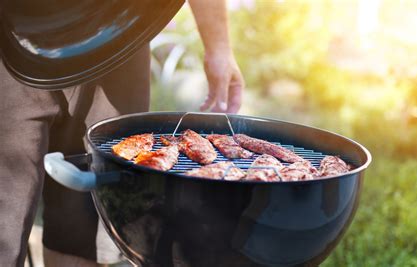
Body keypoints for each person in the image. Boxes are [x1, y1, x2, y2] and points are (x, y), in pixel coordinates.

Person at [0, 0, 244, 266]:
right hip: (11, 39)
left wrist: (218, 45)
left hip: (119, 34)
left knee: (85, 226)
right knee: (5, 223)